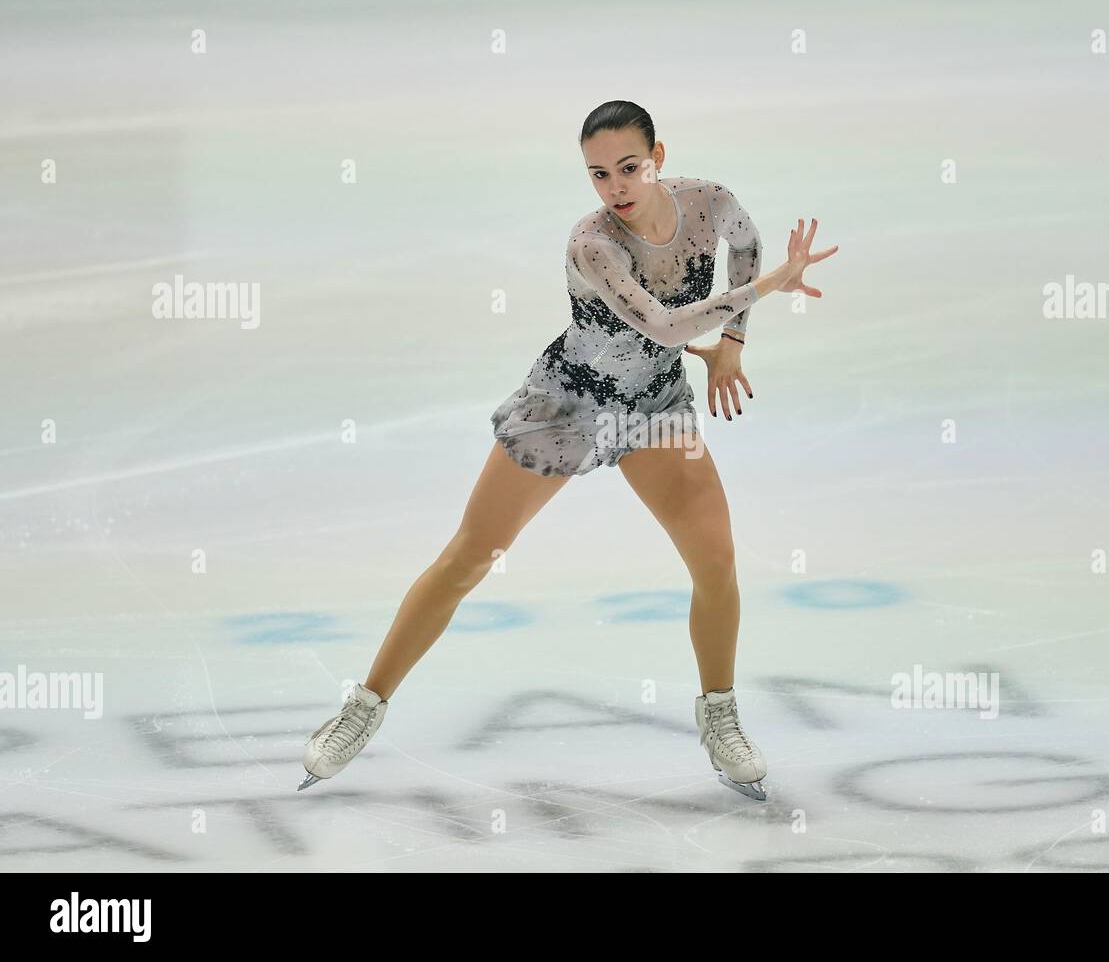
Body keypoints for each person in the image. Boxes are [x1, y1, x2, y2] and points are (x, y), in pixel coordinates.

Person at [299, 101, 837, 801]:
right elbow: (667, 325)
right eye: (598, 173)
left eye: (629, 167)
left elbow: (747, 241)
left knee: (717, 558)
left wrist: (733, 346)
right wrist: (757, 296)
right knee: (470, 556)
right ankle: (361, 708)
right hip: (565, 405)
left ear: (659, 156)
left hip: (653, 408)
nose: (615, 185)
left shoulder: (709, 203)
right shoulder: (592, 243)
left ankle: (720, 715)